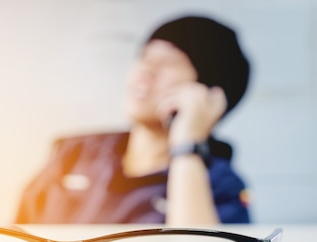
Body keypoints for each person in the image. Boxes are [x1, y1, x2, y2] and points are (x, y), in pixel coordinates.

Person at [15, 15, 251, 226]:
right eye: (145, 57)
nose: (145, 70)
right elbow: (15, 236)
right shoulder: (75, 152)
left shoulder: (220, 184)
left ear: (206, 93)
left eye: (167, 62)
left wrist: (188, 146)